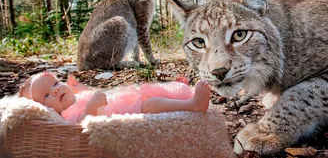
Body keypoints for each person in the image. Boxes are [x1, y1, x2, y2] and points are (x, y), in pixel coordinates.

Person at [19, 71, 211, 123]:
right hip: (126, 110)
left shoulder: (73, 97)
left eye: (55, 83)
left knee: (153, 90)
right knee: (151, 104)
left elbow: (88, 92)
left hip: (125, 97)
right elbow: (85, 123)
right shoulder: (67, 114)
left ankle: (178, 90)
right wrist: (92, 107)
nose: (54, 90)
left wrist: (78, 87)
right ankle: (193, 104)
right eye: (45, 95)